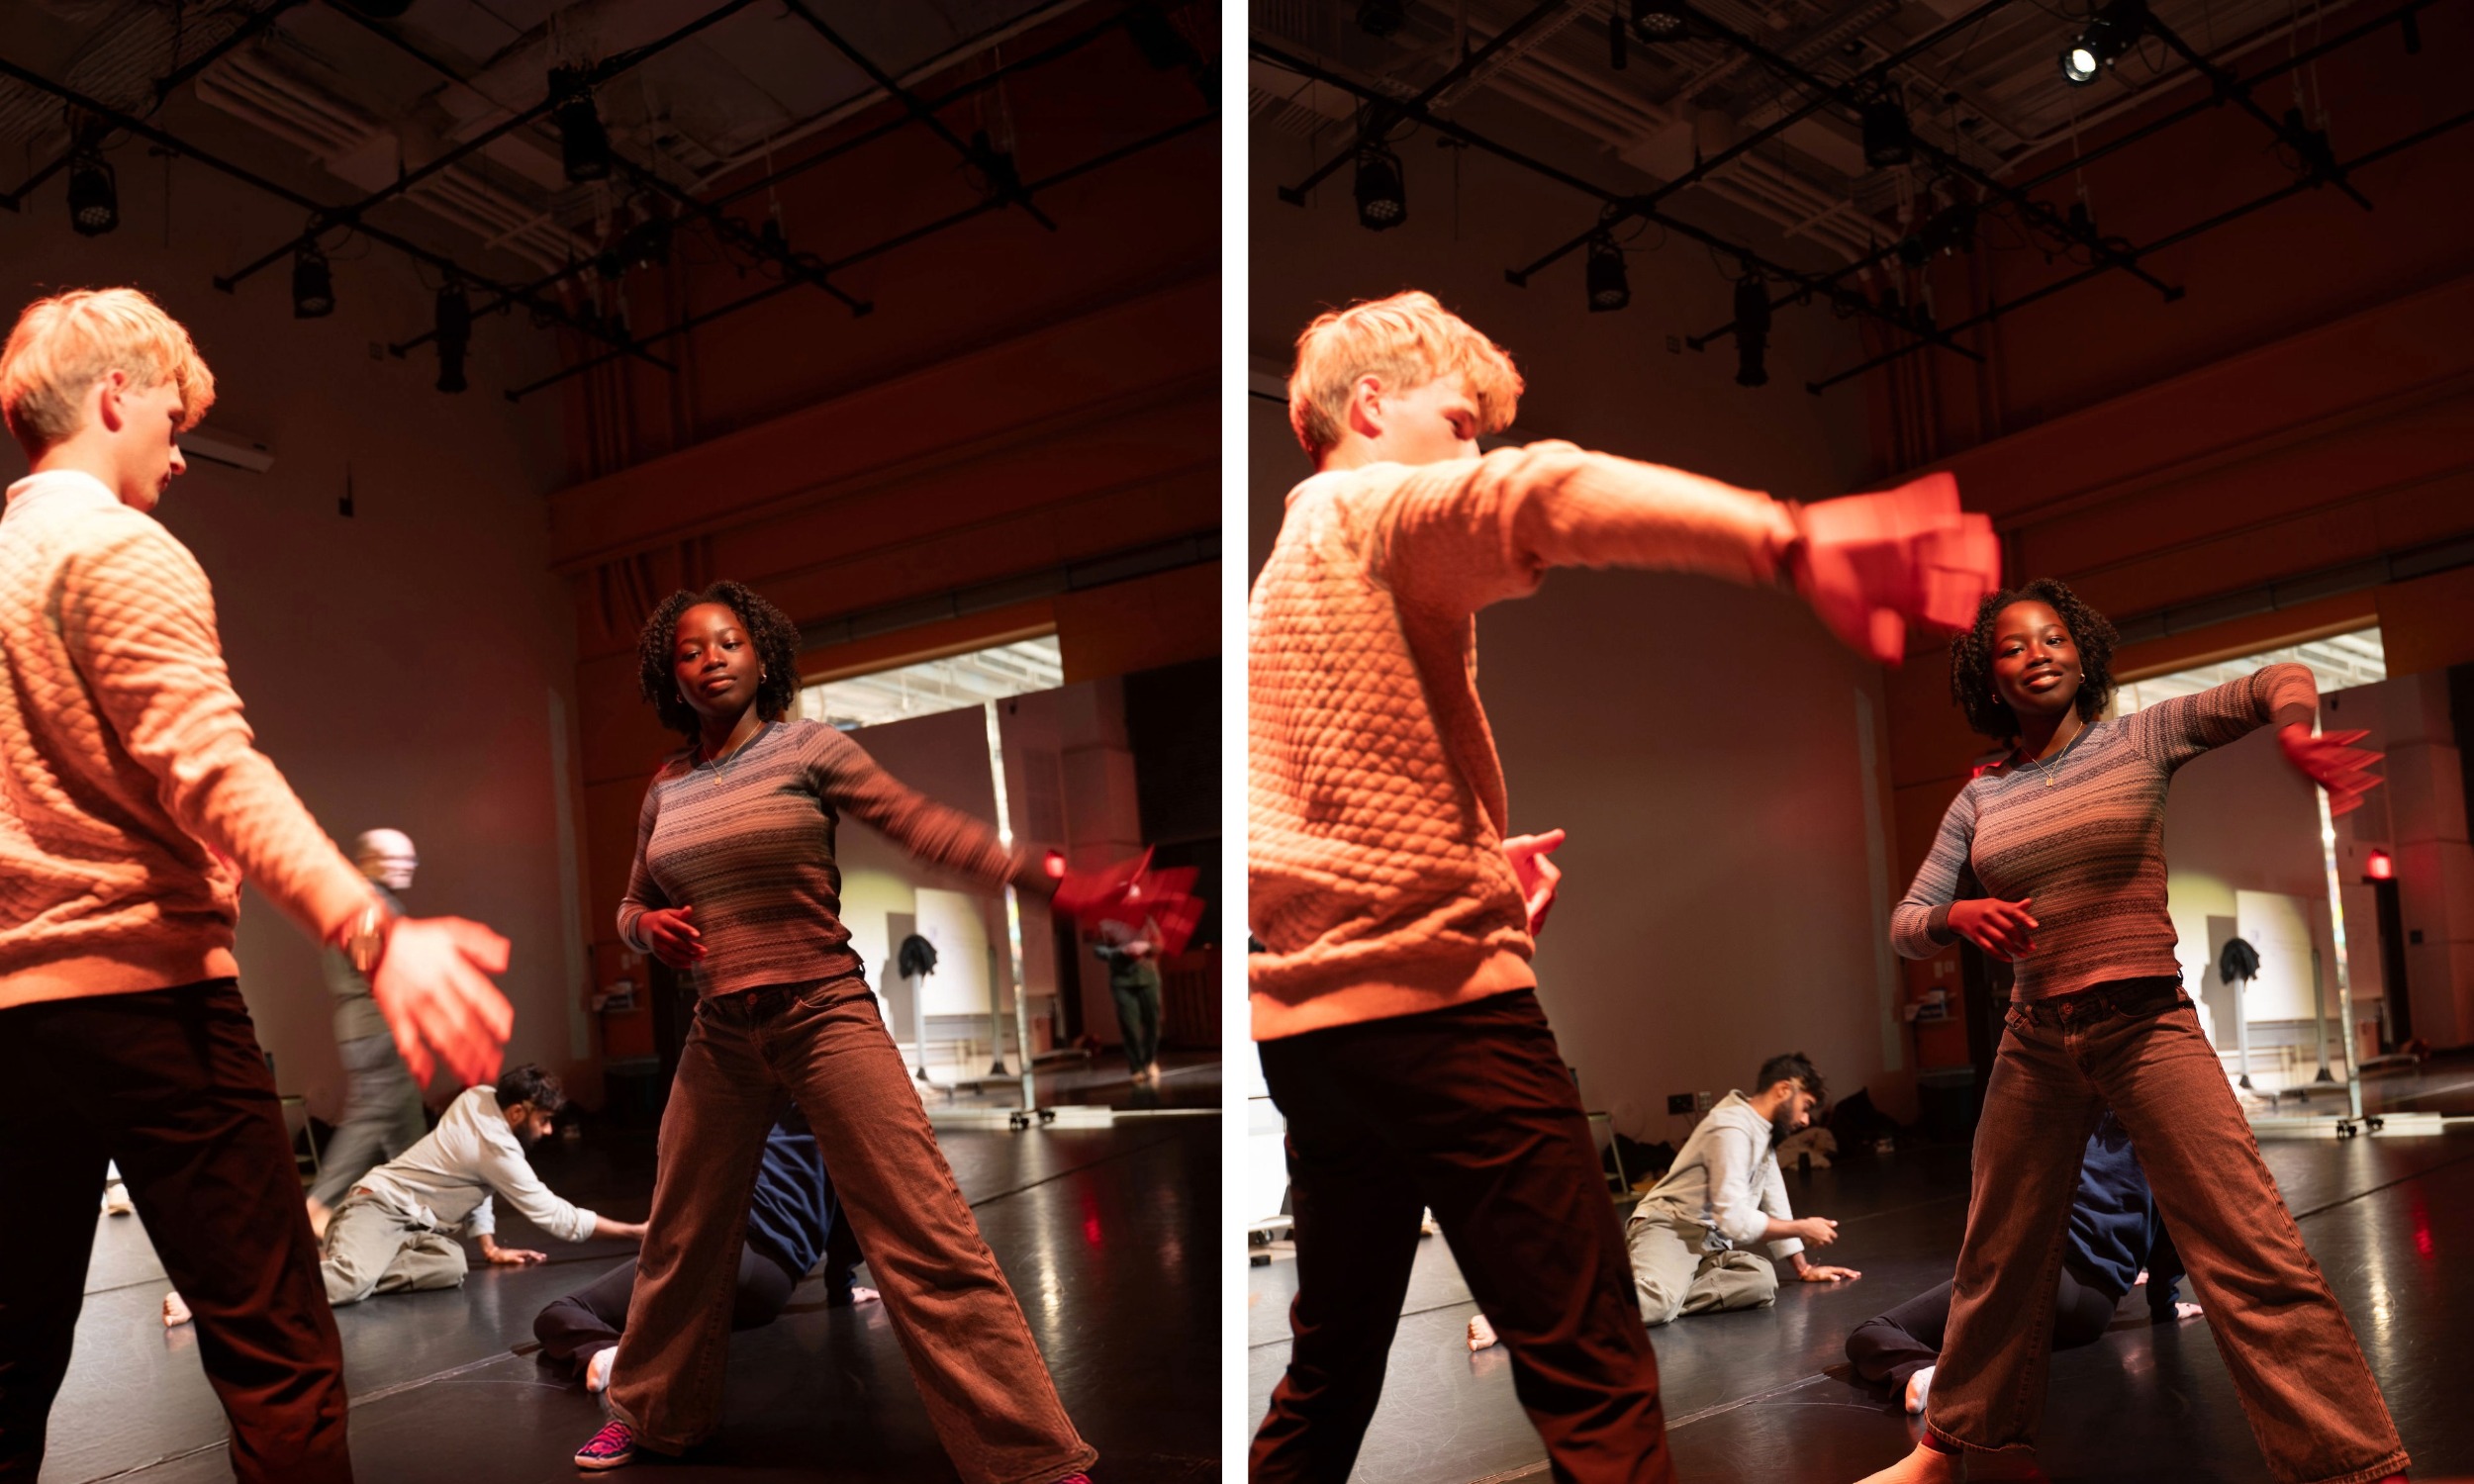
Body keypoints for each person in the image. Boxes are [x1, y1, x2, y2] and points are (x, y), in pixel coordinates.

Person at [1247, 290, 1997, 1484]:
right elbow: (1538, 494)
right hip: (1439, 1022)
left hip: (1314, 1035)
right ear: (1372, 405)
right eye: (1458, 420)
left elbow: (1287, 838)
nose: (1471, 450)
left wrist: (1474, 870)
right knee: (1593, 1368)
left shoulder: (1280, 584)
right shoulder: (1371, 506)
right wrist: (1792, 541)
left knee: (1331, 1365)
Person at [0, 286, 514, 1484]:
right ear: (114, 395)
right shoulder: (115, 547)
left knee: (9, 1363)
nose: (179, 457)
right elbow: (212, 766)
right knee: (279, 1354)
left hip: (9, 1028)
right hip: (156, 1010)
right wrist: (373, 930)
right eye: (172, 421)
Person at [1856, 578, 2404, 1484]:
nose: (2037, 654)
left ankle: (2357, 1469)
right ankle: (1949, 1451)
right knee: (1995, 1258)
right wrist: (1956, 918)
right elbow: (1907, 918)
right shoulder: (1980, 798)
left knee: (2249, 1245)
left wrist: (2297, 731)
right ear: (1988, 680)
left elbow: (2280, 674)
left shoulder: (2144, 736)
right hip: (2034, 1039)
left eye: (2053, 639)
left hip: (2146, 1021)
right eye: (2012, 647)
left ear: (2083, 655)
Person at [570, 580, 1093, 1483]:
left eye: (728, 642)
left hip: (823, 1011)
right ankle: (652, 1413)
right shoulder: (665, 788)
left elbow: (921, 823)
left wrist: (1048, 878)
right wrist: (641, 929)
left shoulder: (809, 748)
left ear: (762, 657)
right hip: (721, 1031)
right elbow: (629, 900)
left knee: (925, 1231)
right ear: (672, 677)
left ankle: (1031, 1456)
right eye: (690, 651)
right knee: (681, 1239)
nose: (711, 659)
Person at [1846, 1111, 2199, 1417]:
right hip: (2093, 1312)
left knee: (1872, 1332)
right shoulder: (2160, 1142)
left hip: (2035, 1277)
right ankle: (1955, 1367)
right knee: (2000, 1342)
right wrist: (2165, 1307)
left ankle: (1926, 1372)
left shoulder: (2069, 1123)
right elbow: (2170, 1242)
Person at [534, 1104, 876, 1395]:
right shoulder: (846, 1118)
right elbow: (851, 1220)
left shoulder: (763, 1099)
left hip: (720, 1249)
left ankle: (610, 1353)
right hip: (772, 1288)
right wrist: (842, 1290)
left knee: (561, 1311)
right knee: (688, 1317)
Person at [313, 1065, 642, 1306]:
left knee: (450, 1266)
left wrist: (489, 1248)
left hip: (415, 1227)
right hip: (377, 1206)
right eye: (543, 1120)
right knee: (352, 1281)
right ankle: (283, 1290)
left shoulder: (479, 1097)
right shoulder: (497, 1149)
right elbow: (558, 1218)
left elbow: (481, 1181)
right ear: (516, 1113)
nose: (548, 1131)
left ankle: (361, 1258)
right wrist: (635, 1233)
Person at [1623, 1052, 1860, 1327]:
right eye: (1806, 1106)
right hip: (1671, 1227)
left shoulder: (1762, 1130)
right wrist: (1802, 1227)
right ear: (1784, 1090)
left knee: (1760, 1281)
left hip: (1710, 1243)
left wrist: (1803, 1268)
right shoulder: (1731, 1127)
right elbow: (1733, 1219)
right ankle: (1586, 1304)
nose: (1806, 1119)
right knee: (1654, 1305)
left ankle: (1670, 1291)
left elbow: (1774, 1195)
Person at [306, 828, 431, 1238]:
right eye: (399, 860)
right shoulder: (367, 904)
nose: (408, 867)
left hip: (369, 1028)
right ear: (373, 861)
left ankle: (417, 1213)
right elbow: (374, 965)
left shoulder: (355, 900)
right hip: (376, 1029)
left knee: (405, 1123)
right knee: (371, 1118)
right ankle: (318, 1204)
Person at [1091, 918, 1165, 1084]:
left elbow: (1159, 945)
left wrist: (1147, 947)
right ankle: (1136, 1067)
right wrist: (1121, 951)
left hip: (1148, 978)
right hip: (1122, 981)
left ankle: (1150, 1060)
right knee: (1129, 1025)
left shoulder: (1148, 921)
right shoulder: (1105, 924)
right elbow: (1098, 950)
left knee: (1152, 1022)